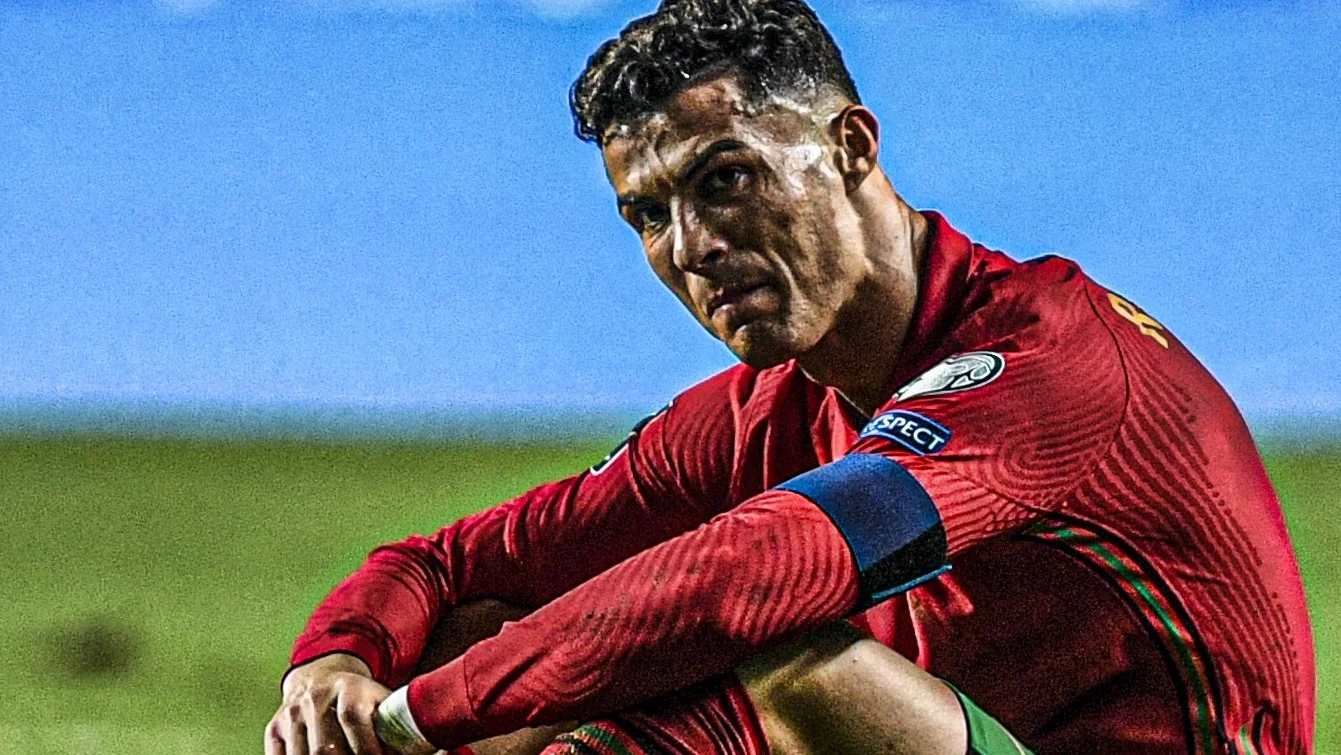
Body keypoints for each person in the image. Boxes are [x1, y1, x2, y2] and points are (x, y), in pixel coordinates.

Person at [265, 1, 1315, 753]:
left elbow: (744, 583)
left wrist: (417, 719)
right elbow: (448, 564)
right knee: (489, 627)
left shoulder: (1045, 361)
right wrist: (336, 663)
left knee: (790, 663)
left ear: (850, 146)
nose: (692, 246)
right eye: (648, 214)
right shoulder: (773, 407)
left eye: (726, 179)